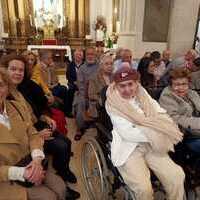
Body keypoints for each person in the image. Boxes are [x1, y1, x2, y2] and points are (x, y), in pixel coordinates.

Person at [0, 54, 80, 198]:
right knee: (50, 195)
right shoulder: (12, 96)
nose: (18, 73)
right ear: (5, 70)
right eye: (13, 69)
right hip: (10, 175)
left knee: (60, 186)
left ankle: (62, 172)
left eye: (21, 70)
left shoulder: (15, 101)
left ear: (6, 87)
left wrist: (36, 160)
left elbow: (30, 122)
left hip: (29, 156)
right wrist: (24, 172)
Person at [105, 66, 185, 200]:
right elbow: (127, 132)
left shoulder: (143, 94)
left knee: (177, 176)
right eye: (122, 86)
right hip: (129, 148)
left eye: (130, 84)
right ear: (116, 86)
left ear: (136, 83)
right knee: (143, 189)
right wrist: (157, 128)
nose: (127, 89)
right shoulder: (112, 103)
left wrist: (154, 126)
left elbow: (160, 112)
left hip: (151, 145)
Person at [159, 67, 200, 154]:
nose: (181, 88)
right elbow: (174, 119)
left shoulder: (192, 93)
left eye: (184, 84)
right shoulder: (166, 96)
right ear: (171, 85)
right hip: (186, 136)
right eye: (177, 85)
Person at [87, 54, 113, 119]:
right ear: (101, 66)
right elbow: (91, 94)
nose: (109, 66)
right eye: (106, 64)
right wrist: (104, 100)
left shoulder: (115, 77)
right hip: (98, 105)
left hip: (114, 103)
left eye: (111, 64)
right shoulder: (94, 77)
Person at [66, 48, 84, 117]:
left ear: (82, 56)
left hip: (83, 83)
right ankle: (69, 110)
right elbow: (68, 76)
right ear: (74, 56)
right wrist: (74, 82)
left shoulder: (85, 64)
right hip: (73, 84)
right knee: (70, 91)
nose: (78, 56)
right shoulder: (70, 65)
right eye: (77, 55)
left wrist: (81, 82)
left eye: (80, 55)